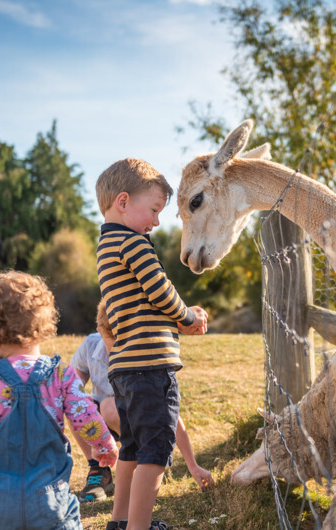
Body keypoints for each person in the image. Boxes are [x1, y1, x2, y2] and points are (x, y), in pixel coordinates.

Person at [0, 271, 118, 530]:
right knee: (66, 517)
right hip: (48, 500)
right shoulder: (61, 374)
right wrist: (105, 446)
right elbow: (86, 417)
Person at [95, 158, 209, 530]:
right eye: (154, 210)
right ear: (123, 202)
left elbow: (141, 302)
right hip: (150, 368)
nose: (157, 222)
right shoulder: (134, 243)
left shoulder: (106, 245)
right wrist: (187, 316)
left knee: (131, 448)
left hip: (125, 370)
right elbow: (160, 291)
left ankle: (120, 522)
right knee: (155, 453)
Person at [71, 301, 214, 502]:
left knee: (111, 407)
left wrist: (193, 466)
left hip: (136, 418)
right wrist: (96, 437)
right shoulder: (91, 345)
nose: (117, 347)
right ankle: (98, 470)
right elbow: (73, 390)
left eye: (124, 340)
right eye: (112, 340)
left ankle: (140, 461)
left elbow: (169, 415)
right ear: (100, 331)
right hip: (103, 423)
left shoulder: (143, 358)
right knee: (80, 407)